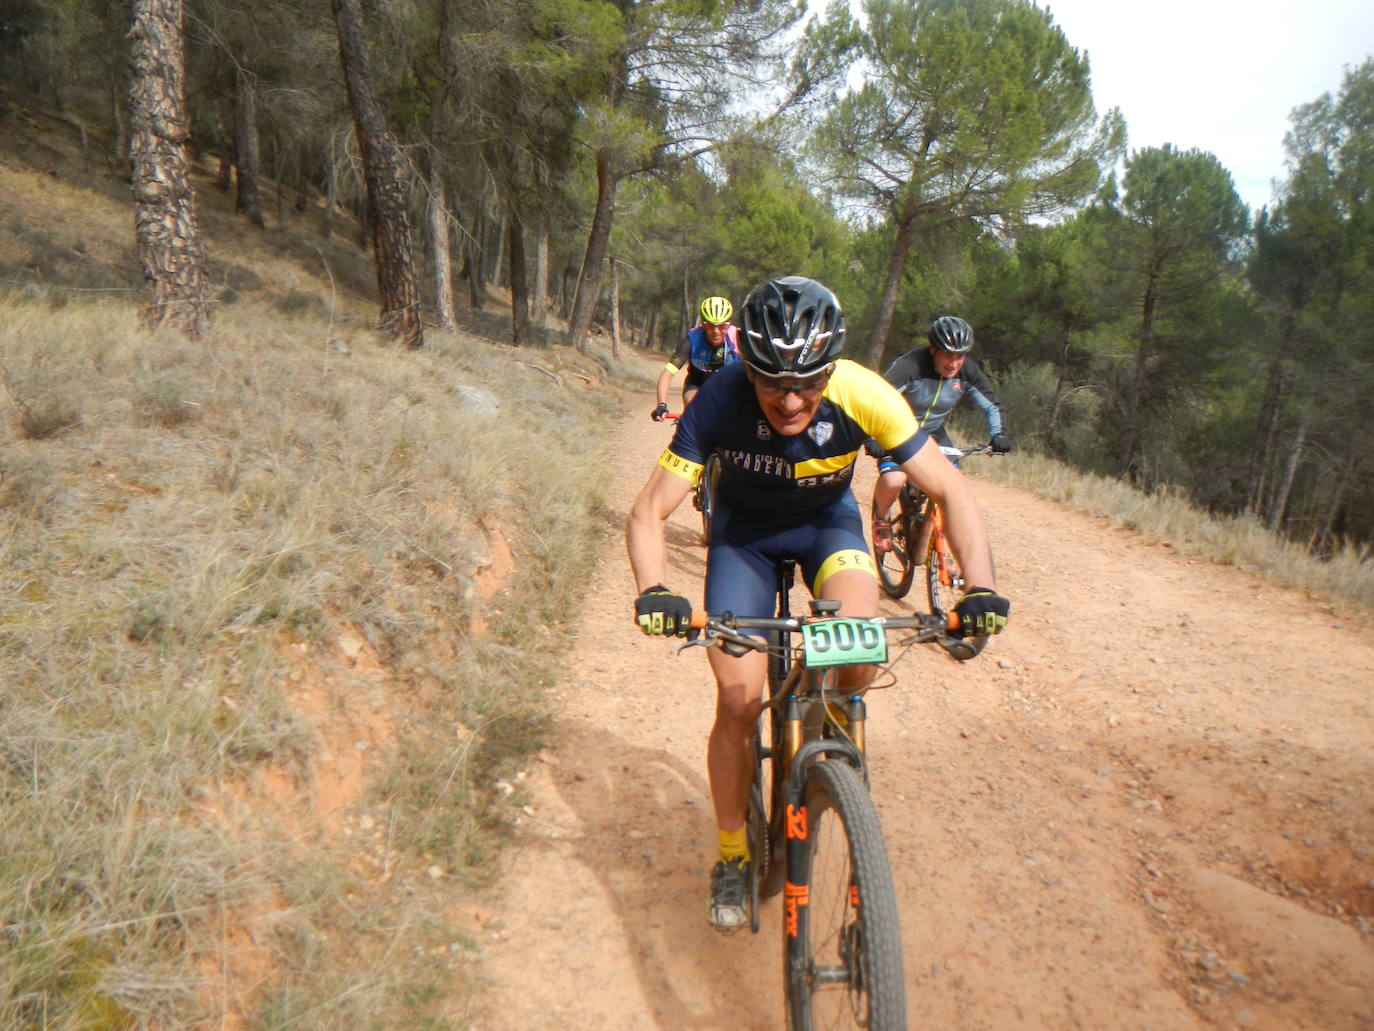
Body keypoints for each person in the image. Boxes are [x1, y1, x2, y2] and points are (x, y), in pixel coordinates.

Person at [625, 276, 1009, 931]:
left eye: (809, 382)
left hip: (826, 527)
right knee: (739, 699)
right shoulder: (720, 396)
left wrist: (978, 584)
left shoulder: (863, 393)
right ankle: (731, 852)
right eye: (772, 382)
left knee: (859, 655)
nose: (792, 399)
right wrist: (654, 588)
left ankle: (829, 758)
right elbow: (647, 511)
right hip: (743, 537)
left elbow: (950, 488)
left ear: (833, 369)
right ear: (748, 367)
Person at [870, 315, 1013, 552]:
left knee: (953, 487)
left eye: (959, 356)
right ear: (933, 349)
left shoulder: (967, 371)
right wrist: (873, 436)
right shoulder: (911, 365)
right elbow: (877, 399)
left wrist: (999, 434)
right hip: (896, 429)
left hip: (932, 432)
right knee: (894, 480)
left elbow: (991, 405)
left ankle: (946, 547)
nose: (954, 363)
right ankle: (881, 518)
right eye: (948, 355)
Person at [650, 296, 741, 420]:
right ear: (702, 325)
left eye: (721, 326)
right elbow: (667, 373)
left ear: (729, 324)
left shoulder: (737, 337)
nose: (716, 331)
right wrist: (661, 404)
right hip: (697, 383)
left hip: (728, 386)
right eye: (709, 326)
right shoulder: (693, 339)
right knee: (694, 407)